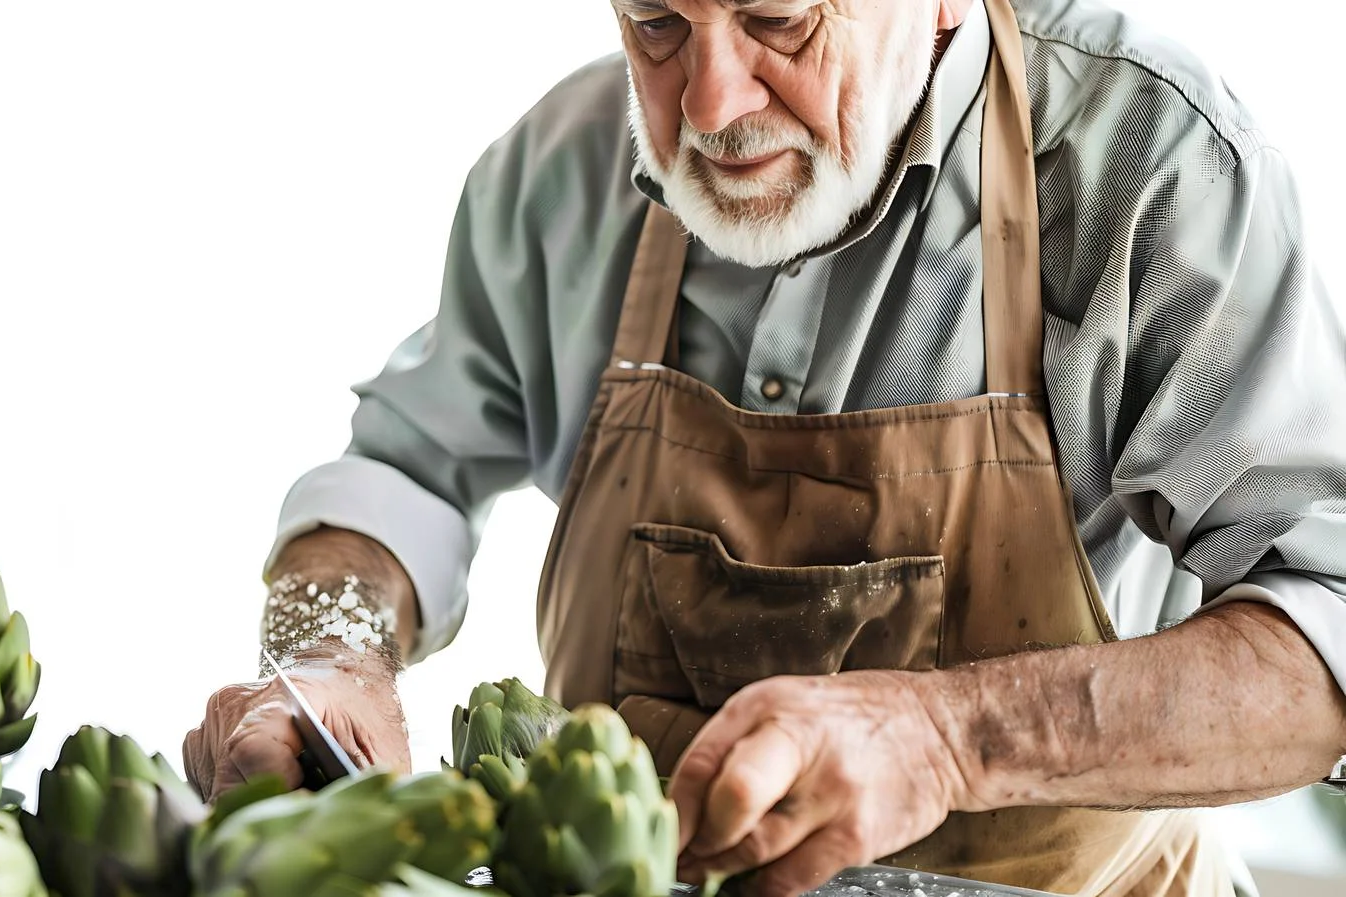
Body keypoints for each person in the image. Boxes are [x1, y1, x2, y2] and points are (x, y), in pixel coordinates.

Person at [182, 0, 1346, 894]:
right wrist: (329, 655)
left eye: (778, 19)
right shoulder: (562, 171)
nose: (706, 105)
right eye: (655, 24)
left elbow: (1327, 640)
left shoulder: (1150, 166)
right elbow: (399, 474)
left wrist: (949, 738)